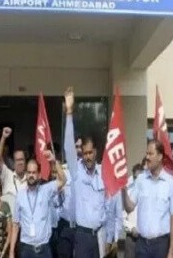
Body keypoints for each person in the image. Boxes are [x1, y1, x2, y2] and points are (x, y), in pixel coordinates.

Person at [63, 87, 110, 258]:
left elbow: (109, 206)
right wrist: (69, 112)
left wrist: (111, 235)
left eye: (90, 152)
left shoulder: (104, 173)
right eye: (85, 153)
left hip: (100, 235)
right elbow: (69, 146)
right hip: (82, 237)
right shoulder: (76, 171)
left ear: (96, 152)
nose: (87, 157)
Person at [122, 140, 173, 258]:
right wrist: (123, 190)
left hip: (161, 245)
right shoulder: (140, 179)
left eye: (150, 154)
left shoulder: (171, 182)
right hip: (141, 244)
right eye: (146, 154)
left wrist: (171, 251)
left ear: (160, 156)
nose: (147, 157)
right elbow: (129, 208)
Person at [9, 152, 66, 258]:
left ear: (39, 174)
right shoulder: (20, 196)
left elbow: (63, 180)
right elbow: (15, 224)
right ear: (26, 174)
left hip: (44, 249)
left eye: (34, 172)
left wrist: (54, 161)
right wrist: (11, 252)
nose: (31, 175)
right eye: (29, 172)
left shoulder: (46, 190)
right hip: (26, 249)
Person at [0, 127, 28, 213]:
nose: (20, 162)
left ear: (25, 161)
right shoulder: (7, 174)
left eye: (22, 159)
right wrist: (3, 137)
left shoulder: (31, 179)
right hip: (8, 221)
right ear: (13, 162)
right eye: (17, 160)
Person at [123, 164, 143, 258]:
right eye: (135, 178)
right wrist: (131, 228)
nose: (137, 181)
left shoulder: (147, 196)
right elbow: (122, 217)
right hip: (131, 238)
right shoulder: (128, 194)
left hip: (144, 240)